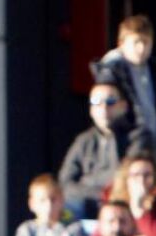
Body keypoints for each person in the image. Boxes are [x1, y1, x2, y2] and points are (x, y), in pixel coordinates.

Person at [58, 72, 151, 220]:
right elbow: (65, 182)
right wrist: (97, 193)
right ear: (91, 109)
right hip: (85, 204)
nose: (103, 107)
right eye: (96, 102)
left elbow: (126, 178)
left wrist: (95, 188)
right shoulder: (84, 140)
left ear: (124, 106)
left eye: (110, 101)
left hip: (122, 204)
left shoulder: (138, 137)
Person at [99, 14, 156, 148]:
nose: (141, 48)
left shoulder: (155, 67)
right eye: (136, 42)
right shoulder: (111, 71)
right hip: (127, 143)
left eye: (146, 42)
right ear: (121, 44)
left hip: (155, 141)